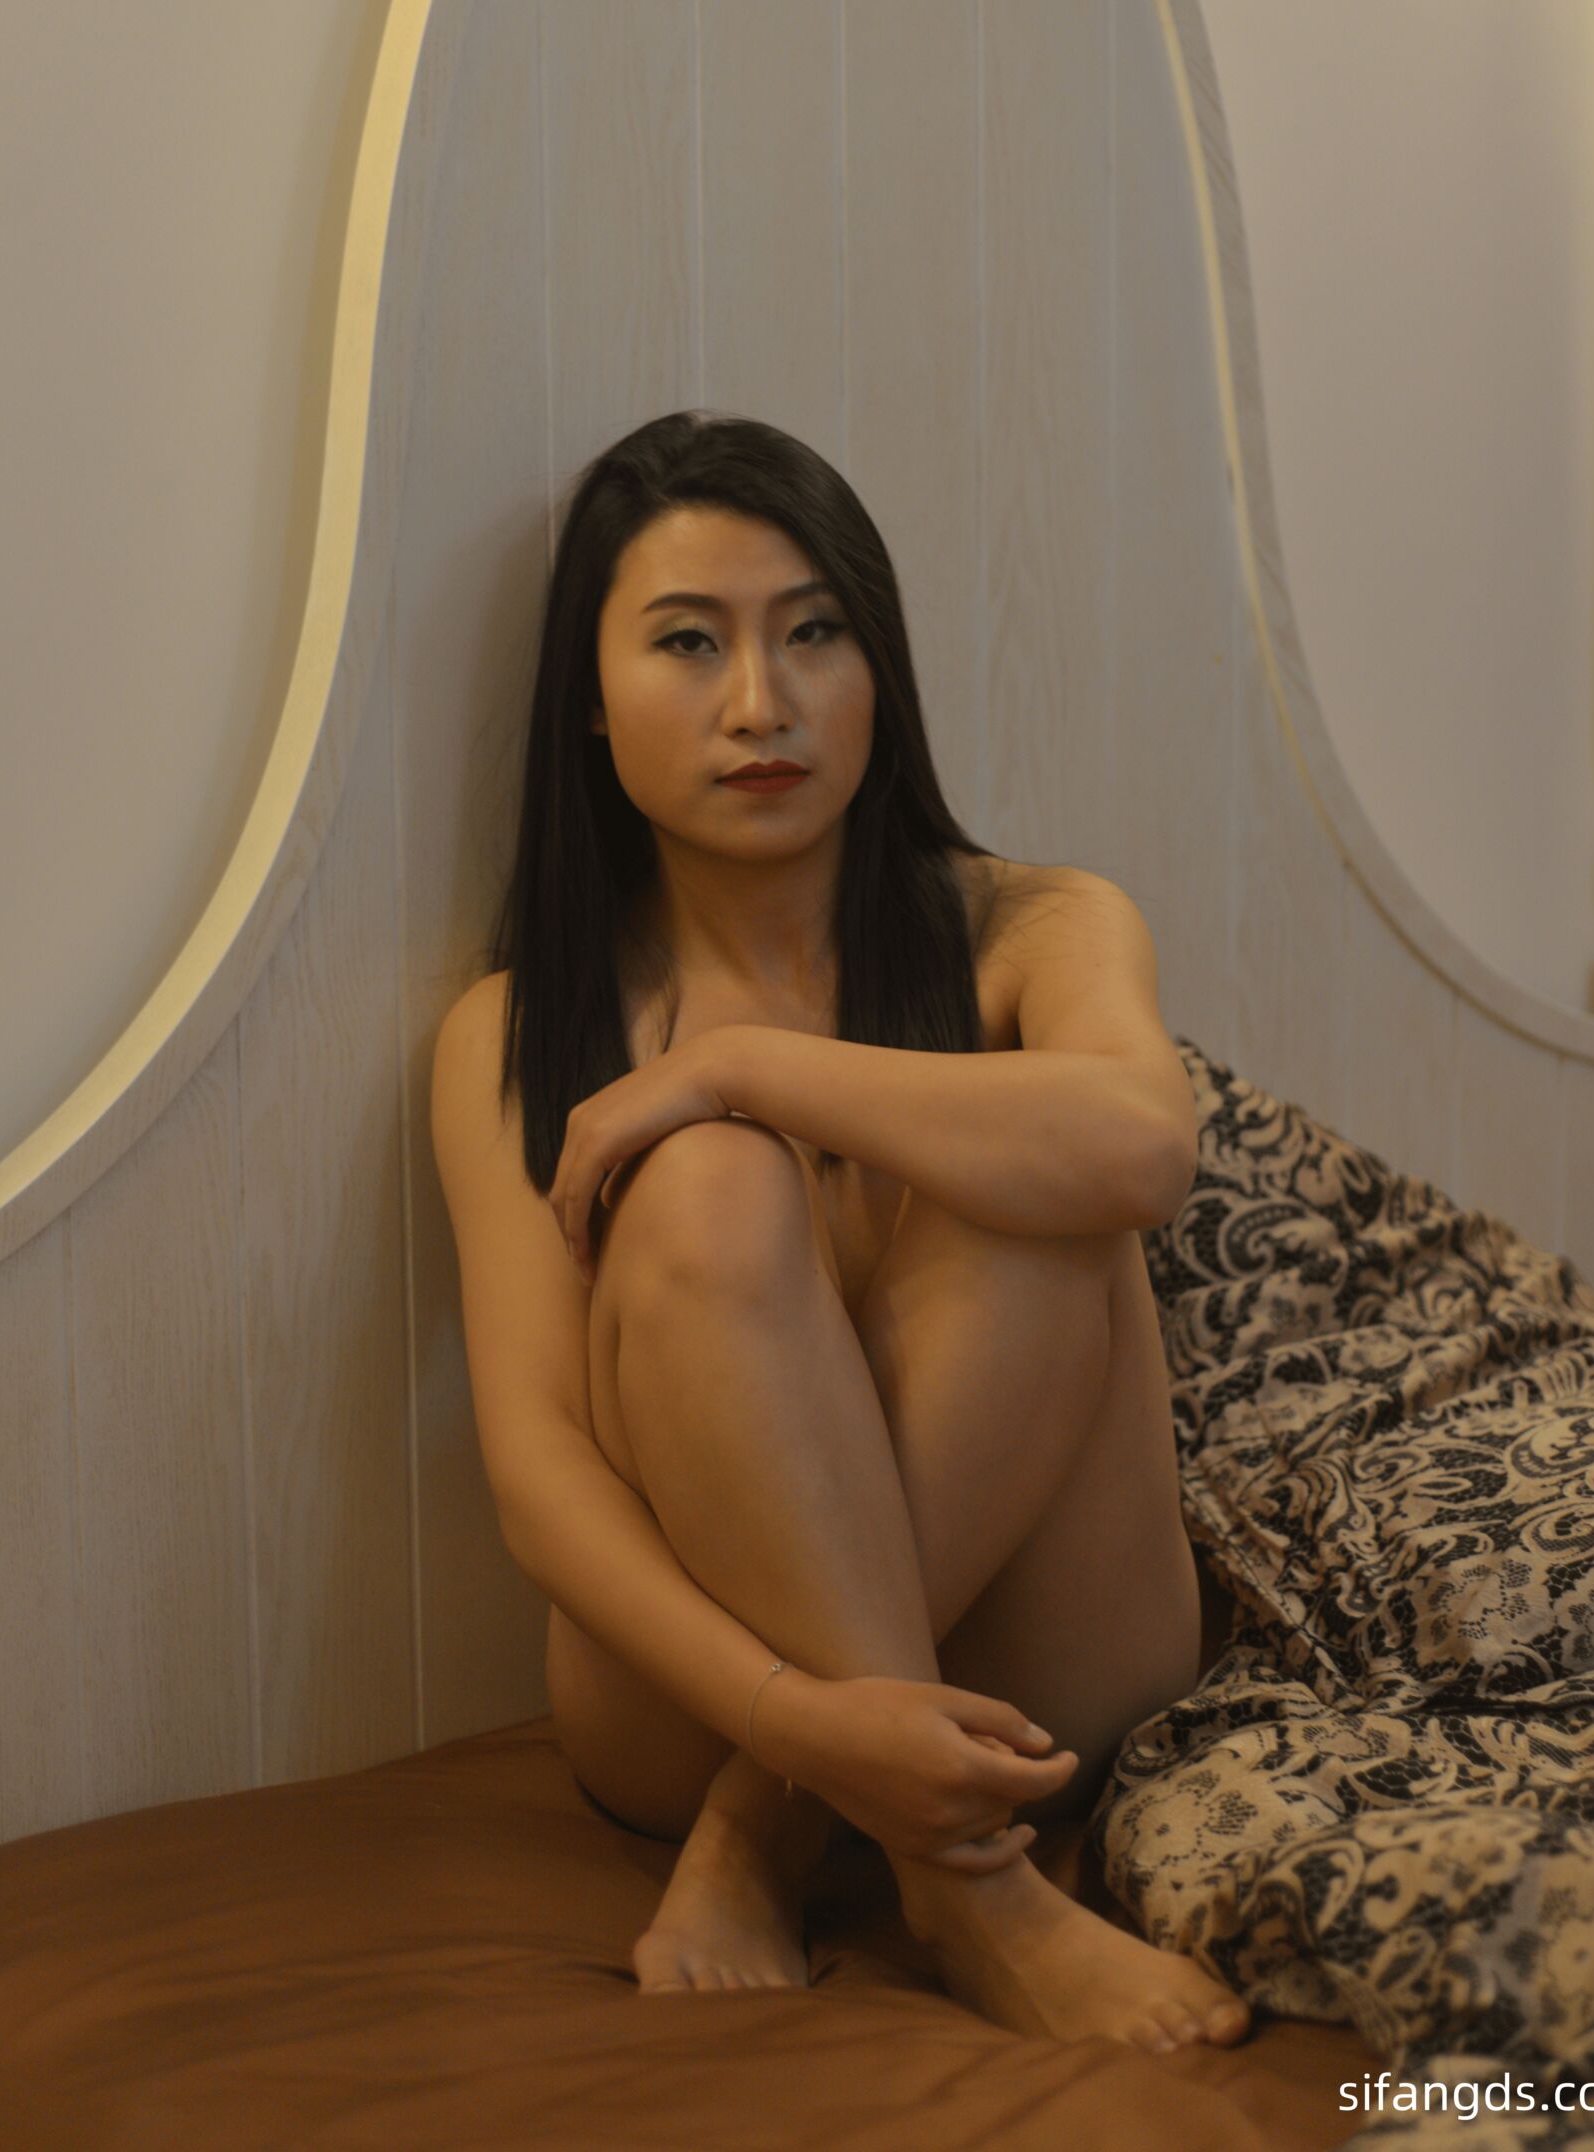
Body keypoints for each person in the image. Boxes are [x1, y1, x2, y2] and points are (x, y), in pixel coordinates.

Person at [430, 408, 1250, 2054]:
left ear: (881, 668)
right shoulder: (516, 1032)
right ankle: (978, 1894)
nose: (763, 702)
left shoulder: (1037, 924)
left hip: (1036, 1670)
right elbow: (538, 1471)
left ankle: (772, 1835)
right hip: (701, 1703)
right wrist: (791, 1716)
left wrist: (738, 1067)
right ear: (589, 698)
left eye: (815, 634)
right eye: (688, 642)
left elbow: (1145, 1149)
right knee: (708, 1186)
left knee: (1038, 1175)